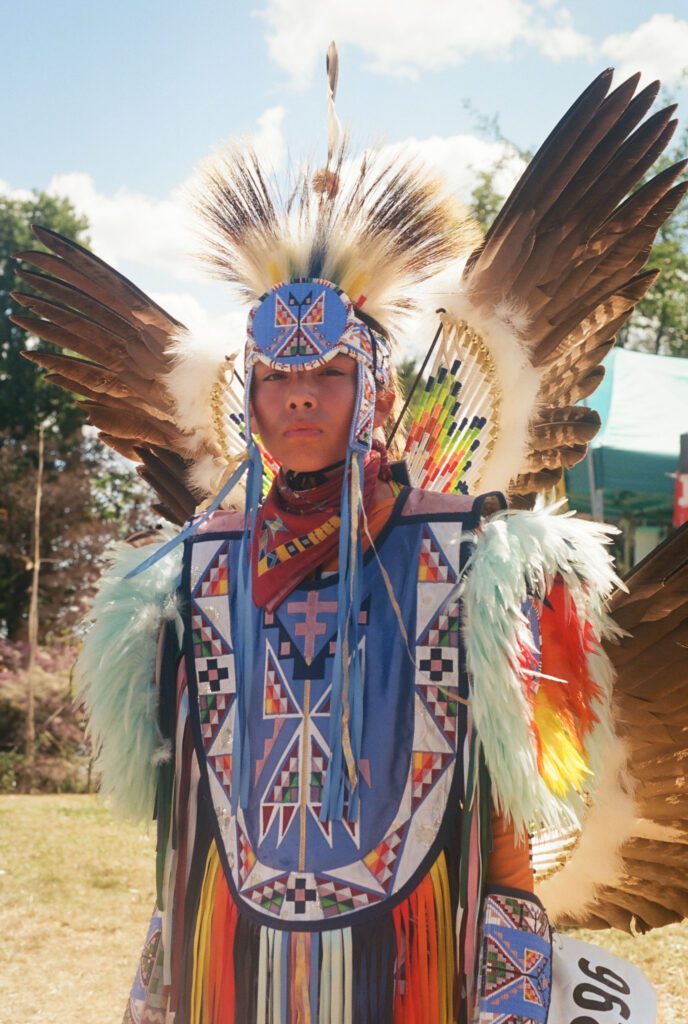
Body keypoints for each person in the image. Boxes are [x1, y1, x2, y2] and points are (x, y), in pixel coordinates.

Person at [18, 52, 682, 1024]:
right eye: (276, 376)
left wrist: (513, 1003)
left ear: (371, 390)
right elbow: (189, 830)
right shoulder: (195, 578)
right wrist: (157, 994)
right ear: (248, 398)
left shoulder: (471, 564)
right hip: (236, 966)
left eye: (327, 372)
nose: (300, 394)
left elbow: (504, 837)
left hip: (412, 966)